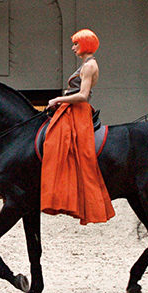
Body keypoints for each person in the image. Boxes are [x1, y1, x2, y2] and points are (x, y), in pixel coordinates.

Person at [41, 29, 116, 224]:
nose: (73, 47)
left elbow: (83, 95)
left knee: (57, 140)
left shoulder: (89, 66)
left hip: (78, 110)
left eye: (76, 44)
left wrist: (59, 98)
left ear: (85, 44)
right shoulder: (85, 64)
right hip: (71, 107)